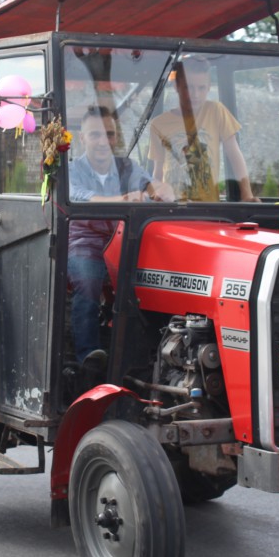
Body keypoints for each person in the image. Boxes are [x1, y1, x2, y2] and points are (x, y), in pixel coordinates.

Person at [68, 105, 173, 364]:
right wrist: (125, 199)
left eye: (110, 134)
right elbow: (84, 199)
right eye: (95, 135)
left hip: (124, 240)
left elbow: (151, 185)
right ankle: (88, 356)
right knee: (88, 278)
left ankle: (147, 354)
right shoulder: (71, 170)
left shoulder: (127, 166)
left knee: (157, 278)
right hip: (85, 241)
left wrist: (161, 190)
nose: (104, 141)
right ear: (82, 138)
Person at [148, 57, 257, 202]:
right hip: (172, 207)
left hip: (209, 208)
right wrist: (157, 193)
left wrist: (247, 196)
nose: (196, 95)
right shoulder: (158, 124)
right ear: (176, 86)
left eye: (201, 88)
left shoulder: (216, 111)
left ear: (209, 86)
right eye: (188, 87)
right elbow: (159, 168)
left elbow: (235, 155)